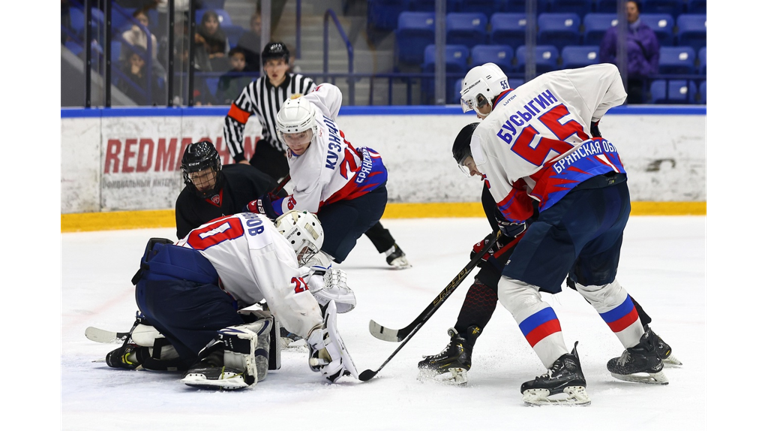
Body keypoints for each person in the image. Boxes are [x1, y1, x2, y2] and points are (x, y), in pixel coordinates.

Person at [455, 62, 672, 405]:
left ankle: (563, 370)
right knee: (595, 283)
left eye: (476, 106)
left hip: (575, 200)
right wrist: (592, 124)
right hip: (615, 183)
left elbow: (515, 210)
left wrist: (518, 227)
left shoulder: (485, 134)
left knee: (513, 287)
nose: (478, 115)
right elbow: (613, 77)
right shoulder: (547, 83)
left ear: (482, 98)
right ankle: (643, 352)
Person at [416, 122, 681, 386]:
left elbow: (520, 225)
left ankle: (461, 348)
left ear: (481, 150)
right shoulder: (523, 150)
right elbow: (517, 225)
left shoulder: (497, 179)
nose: (471, 171)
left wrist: (497, 245)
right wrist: (495, 241)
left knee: (497, 277)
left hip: (564, 224)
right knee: (595, 283)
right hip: (597, 206)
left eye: (469, 161)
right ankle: (647, 340)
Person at [103, 210, 359, 389]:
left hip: (152, 292)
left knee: (218, 325)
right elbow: (287, 295)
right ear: (296, 239)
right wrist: (318, 338)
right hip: (181, 292)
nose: (302, 258)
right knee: (249, 331)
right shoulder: (274, 244)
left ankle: (148, 346)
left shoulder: (251, 224)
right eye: (305, 251)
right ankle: (216, 360)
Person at [224, 42, 411, 269]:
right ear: (264, 66)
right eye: (270, 64)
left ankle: (389, 246)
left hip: (311, 158)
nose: (275, 68)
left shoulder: (303, 85)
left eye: (280, 63)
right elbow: (233, 120)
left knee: (336, 198)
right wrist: (239, 156)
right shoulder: (253, 90)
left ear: (287, 64)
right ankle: (255, 244)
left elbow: (302, 206)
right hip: (273, 151)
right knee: (258, 188)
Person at [245, 84, 391, 270]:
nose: (296, 143)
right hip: (358, 177)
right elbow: (332, 91)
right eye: (289, 136)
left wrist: (265, 207)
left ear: (312, 127)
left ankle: (325, 296)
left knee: (311, 260)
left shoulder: (312, 169)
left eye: (302, 135)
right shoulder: (311, 108)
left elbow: (302, 209)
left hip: (363, 199)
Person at [174, 140, 283, 240]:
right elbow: (187, 245)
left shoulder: (245, 177)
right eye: (195, 177)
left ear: (216, 168)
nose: (201, 182)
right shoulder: (185, 203)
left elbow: (282, 200)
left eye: (205, 174)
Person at [599, 0, 660, 104]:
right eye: (626, 9)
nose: (629, 12)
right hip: (619, 80)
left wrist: (650, 70)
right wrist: (613, 71)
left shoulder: (647, 32)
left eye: (632, 9)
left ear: (638, 11)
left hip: (641, 79)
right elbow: (604, 53)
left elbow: (654, 53)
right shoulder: (614, 32)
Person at [120, 8, 165, 77]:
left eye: (144, 21)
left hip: (145, 64)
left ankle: (165, 80)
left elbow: (152, 59)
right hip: (129, 63)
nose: (141, 23)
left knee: (159, 70)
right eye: (138, 20)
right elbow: (133, 56)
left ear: (148, 23)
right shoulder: (126, 35)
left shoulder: (152, 38)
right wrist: (137, 35)